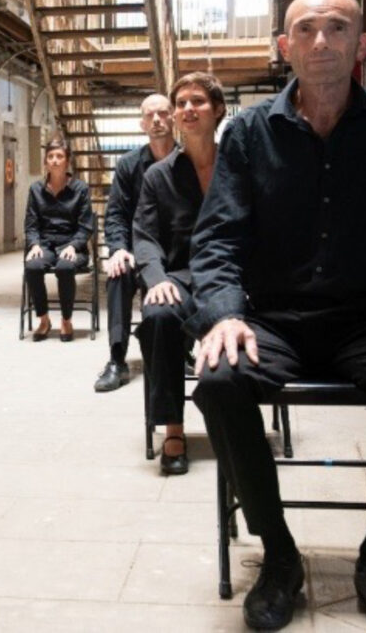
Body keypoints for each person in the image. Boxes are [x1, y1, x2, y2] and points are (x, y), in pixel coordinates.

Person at [188, 0, 366, 631]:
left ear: (361, 45)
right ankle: (279, 555)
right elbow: (218, 239)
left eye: (338, 28)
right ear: (284, 47)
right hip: (275, 320)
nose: (322, 41)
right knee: (219, 382)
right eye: (307, 30)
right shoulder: (247, 134)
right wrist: (226, 314)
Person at [134, 73, 224, 474]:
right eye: (181, 103)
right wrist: (157, 279)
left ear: (218, 110)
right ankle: (173, 428)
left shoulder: (238, 166)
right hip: (182, 278)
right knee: (157, 316)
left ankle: (239, 419)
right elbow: (145, 236)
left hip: (232, 279)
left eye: (198, 101)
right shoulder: (159, 176)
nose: (188, 109)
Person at [94, 93, 176, 392]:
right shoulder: (129, 165)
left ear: (174, 118)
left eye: (164, 113)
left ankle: (184, 349)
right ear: (142, 123)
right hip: (135, 250)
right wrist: (117, 250)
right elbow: (116, 214)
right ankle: (117, 359)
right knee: (118, 276)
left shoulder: (188, 161)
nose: (157, 119)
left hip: (173, 254)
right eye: (151, 115)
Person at [23, 134, 93, 342]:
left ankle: (66, 319)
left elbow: (86, 225)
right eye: (50, 156)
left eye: (59, 156)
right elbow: (31, 223)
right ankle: (44, 320)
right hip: (44, 244)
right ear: (45, 162)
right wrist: (34, 244)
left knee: (65, 267)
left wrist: (73, 246)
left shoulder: (80, 190)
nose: (54, 160)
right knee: (33, 266)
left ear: (67, 161)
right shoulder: (36, 190)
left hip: (72, 244)